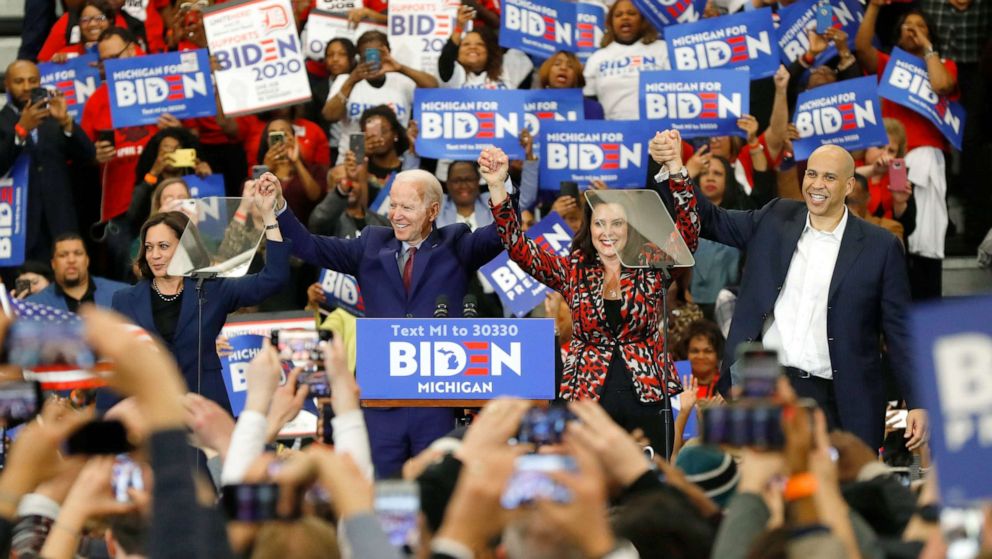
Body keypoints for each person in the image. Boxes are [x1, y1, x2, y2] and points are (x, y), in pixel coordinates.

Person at [662, 134, 927, 451]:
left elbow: (900, 331)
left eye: (829, 177)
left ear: (849, 186)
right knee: (765, 488)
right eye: (812, 174)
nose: (817, 184)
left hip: (841, 394)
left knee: (839, 495)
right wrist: (676, 169)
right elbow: (711, 219)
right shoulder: (777, 217)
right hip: (764, 382)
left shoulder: (880, 247)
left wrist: (918, 401)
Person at [260, 161, 514, 478]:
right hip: (381, 399)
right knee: (380, 489)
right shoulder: (370, 244)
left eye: (407, 207)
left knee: (432, 488)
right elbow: (309, 246)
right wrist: (279, 206)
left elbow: (505, 234)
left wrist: (497, 185)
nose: (395, 214)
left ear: (433, 211)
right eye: (393, 204)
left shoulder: (456, 244)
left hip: (434, 399)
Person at [484, 141, 699, 454]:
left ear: (631, 228)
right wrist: (497, 186)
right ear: (589, 227)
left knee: (648, 480)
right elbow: (518, 247)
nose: (606, 232)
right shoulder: (572, 270)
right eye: (599, 223)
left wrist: (677, 171)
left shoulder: (651, 265)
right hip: (588, 395)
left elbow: (689, 234)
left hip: (648, 394)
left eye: (616, 223)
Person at [107, 176, 290, 412]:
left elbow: (273, 279)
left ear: (185, 246)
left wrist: (269, 218)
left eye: (163, 246)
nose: (154, 255)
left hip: (207, 412)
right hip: (153, 417)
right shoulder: (124, 300)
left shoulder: (213, 289)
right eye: (150, 248)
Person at [0, 60, 96, 263]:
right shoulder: (2, 122)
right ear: (6, 85)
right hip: (17, 224)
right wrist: (21, 130)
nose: (27, 87)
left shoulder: (54, 119)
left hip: (60, 219)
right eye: (19, 81)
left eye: (32, 80)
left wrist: (66, 122)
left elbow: (88, 156)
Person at [582, 0, 670, 120]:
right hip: (615, 132)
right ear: (611, 23)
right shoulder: (597, 58)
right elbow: (589, 101)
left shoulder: (662, 49)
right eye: (618, 15)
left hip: (659, 130)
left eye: (631, 13)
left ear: (643, 19)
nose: (625, 18)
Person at [28, 234, 127, 312]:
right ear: (53, 264)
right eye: (63, 255)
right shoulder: (34, 305)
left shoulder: (122, 294)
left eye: (78, 253)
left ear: (87, 260)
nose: (71, 260)